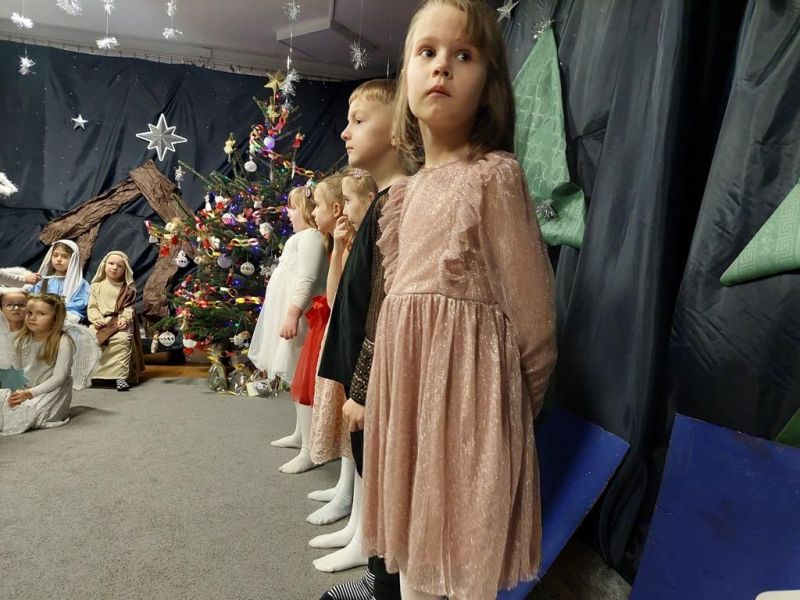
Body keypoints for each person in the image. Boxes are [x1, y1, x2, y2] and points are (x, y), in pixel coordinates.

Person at [359, 1, 557, 598]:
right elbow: (396, 321)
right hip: (408, 421)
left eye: (463, 54)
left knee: (466, 576)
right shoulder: (402, 196)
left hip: (471, 425)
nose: (441, 66)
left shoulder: (493, 178)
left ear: (488, 83)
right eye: (427, 52)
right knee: (414, 572)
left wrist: (502, 426)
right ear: (406, 78)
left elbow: (535, 326)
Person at [317, 78, 410, 587]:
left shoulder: (398, 202)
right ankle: (379, 579)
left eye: (358, 121)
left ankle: (384, 584)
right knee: (371, 474)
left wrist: (363, 389)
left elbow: (387, 304)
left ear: (397, 130)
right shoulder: (384, 201)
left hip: (376, 383)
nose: (344, 132)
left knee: (384, 483)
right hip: (366, 376)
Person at [249, 186, 328, 472]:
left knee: (302, 377)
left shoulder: (311, 238)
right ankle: (300, 434)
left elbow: (307, 278)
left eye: (293, 208)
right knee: (296, 376)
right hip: (291, 313)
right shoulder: (300, 238)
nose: (289, 213)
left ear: (306, 210)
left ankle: (310, 448)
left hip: (303, 317)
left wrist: (293, 314)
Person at [0, 293, 99, 435]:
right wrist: (17, 391)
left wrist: (31, 393)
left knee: (27, 414)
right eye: (29, 313)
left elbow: (59, 377)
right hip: (27, 386)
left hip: (51, 389)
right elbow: (16, 370)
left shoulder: (63, 341)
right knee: (5, 401)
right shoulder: (21, 339)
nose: (32, 318)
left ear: (55, 319)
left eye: (41, 314)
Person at [88, 251, 145, 392]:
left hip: (119, 321)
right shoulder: (96, 286)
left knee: (122, 339)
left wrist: (125, 319)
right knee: (89, 339)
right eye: (111, 263)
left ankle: (120, 377)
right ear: (104, 265)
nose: (114, 268)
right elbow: (92, 307)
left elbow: (129, 308)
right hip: (102, 321)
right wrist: (96, 319)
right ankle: (92, 375)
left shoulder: (128, 289)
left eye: (119, 266)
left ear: (125, 269)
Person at [28, 239, 90, 324]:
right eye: (55, 255)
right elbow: (34, 298)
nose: (59, 259)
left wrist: (56, 308)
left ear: (73, 259)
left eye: (64, 256)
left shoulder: (80, 284)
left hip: (66, 317)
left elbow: (80, 305)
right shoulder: (43, 280)